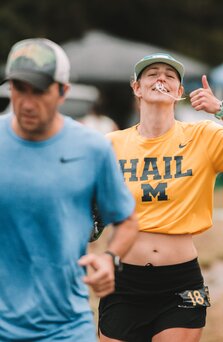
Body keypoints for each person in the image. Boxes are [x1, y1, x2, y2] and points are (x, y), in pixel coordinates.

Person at [97, 52, 223, 342]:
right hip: (124, 281)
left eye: (169, 76)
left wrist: (221, 109)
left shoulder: (203, 135)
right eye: (152, 73)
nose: (161, 79)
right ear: (136, 88)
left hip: (180, 281)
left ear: (179, 92)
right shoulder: (111, 144)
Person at [0, 38, 138, 342]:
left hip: (65, 327)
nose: (26, 102)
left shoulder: (92, 149)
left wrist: (108, 258)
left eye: (39, 90)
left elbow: (126, 220)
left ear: (63, 91)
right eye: (19, 88)